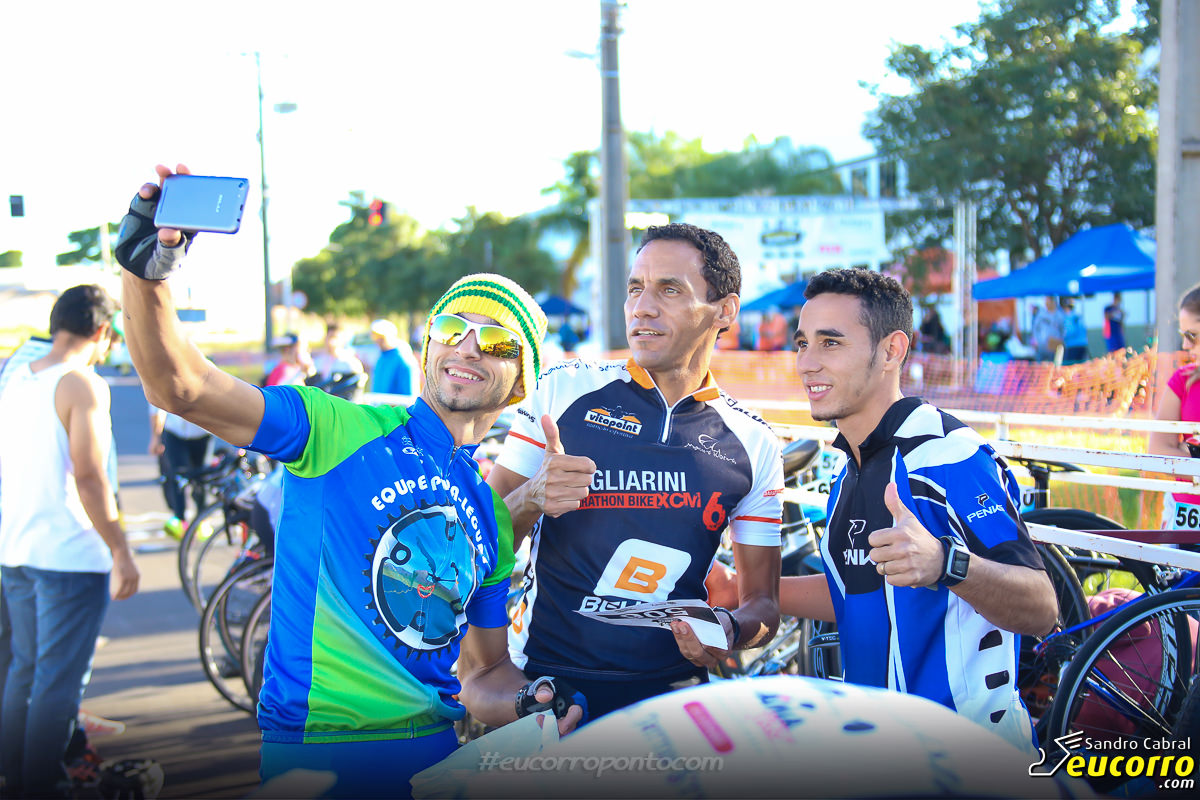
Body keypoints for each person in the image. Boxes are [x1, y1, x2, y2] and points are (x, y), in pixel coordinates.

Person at [112, 163, 579, 798]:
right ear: (429, 349)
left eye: (496, 341)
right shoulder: (337, 428)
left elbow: (485, 674)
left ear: (520, 379)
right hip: (321, 759)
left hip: (438, 760)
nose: (469, 347)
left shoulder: (488, 513)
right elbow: (182, 387)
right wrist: (148, 275)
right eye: (452, 330)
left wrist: (536, 699)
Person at [488, 222, 783, 721]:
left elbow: (764, 607)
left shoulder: (755, 441)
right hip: (545, 686)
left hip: (674, 698)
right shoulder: (562, 390)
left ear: (725, 310)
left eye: (670, 289)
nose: (642, 307)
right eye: (634, 288)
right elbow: (480, 543)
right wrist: (530, 498)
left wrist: (729, 630)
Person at [779, 267, 1057, 754]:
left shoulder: (950, 456)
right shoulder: (849, 468)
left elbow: (1041, 607)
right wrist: (746, 591)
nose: (807, 363)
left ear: (892, 350)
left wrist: (946, 563)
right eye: (802, 344)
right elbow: (859, 593)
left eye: (830, 343)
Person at [0, 284, 141, 798]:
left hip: (16, 549)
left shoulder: (18, 378)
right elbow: (90, 476)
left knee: (25, 672)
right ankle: (43, 786)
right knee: (58, 683)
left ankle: (18, 779)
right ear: (102, 331)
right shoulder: (81, 384)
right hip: (68, 553)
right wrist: (120, 549)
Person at [1148, 283, 1200, 530]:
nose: (1185, 346)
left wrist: (1185, 452)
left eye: (1192, 335)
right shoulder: (1183, 380)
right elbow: (1158, 449)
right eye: (1183, 335)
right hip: (1186, 514)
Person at [148, 405, 213, 538]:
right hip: (175, 432)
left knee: (201, 477)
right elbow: (156, 407)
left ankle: (202, 518)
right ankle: (179, 519)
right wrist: (156, 437)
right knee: (177, 475)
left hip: (202, 433)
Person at [367, 318, 418, 396]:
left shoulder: (404, 359)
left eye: (381, 337)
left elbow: (410, 396)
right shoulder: (381, 357)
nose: (378, 340)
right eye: (375, 336)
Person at [1030, 295, 1064, 362]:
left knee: (1054, 365)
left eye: (1047, 300)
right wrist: (1036, 340)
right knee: (1040, 366)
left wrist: (1059, 340)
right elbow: (1035, 328)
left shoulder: (1059, 315)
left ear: (1053, 301)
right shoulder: (1041, 314)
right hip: (1041, 347)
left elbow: (1063, 330)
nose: (1045, 302)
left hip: (1054, 347)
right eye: (1045, 301)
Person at [1060, 297, 1089, 364]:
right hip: (1083, 344)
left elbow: (1070, 331)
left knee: (1069, 366)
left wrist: (1062, 338)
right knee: (1081, 366)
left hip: (1073, 346)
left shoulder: (1068, 317)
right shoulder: (1078, 315)